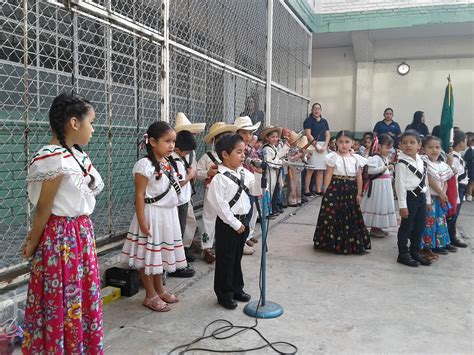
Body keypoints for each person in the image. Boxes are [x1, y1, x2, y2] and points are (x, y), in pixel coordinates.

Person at [22, 93, 104, 353]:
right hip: (62, 239)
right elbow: (44, 208)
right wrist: (33, 242)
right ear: (74, 123)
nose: (93, 128)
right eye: (91, 122)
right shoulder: (53, 158)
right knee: (62, 299)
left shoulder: (77, 156)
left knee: (78, 295)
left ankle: (79, 346)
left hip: (79, 235)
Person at [122, 121, 187, 312]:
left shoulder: (168, 162)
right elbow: (140, 195)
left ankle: (160, 289)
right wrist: (142, 221)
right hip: (151, 215)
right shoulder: (144, 165)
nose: (171, 146)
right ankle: (149, 295)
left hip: (167, 215)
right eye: (167, 141)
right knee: (147, 256)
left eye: (173, 142)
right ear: (152, 141)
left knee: (159, 256)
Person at [207, 134, 262, 310]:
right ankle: (224, 294)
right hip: (228, 225)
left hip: (243, 221)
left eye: (244, 152)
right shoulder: (219, 178)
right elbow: (219, 205)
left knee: (237, 258)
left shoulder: (245, 172)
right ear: (225, 154)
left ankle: (237, 288)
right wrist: (234, 224)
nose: (243, 155)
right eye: (239, 152)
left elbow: (255, 190)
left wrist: (259, 175)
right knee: (225, 260)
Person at [313, 130, 371, 254]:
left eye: (347, 142)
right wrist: (326, 191)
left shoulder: (356, 158)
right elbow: (328, 174)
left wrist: (359, 193)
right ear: (336, 143)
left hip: (350, 189)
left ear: (352, 143)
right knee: (333, 215)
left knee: (350, 214)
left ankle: (350, 243)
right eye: (341, 142)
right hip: (335, 187)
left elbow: (359, 177)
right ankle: (331, 242)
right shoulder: (333, 157)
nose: (344, 145)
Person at [196, 122, 238, 263]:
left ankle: (225, 243)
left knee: (227, 216)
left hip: (230, 192)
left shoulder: (233, 155)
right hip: (211, 191)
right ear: (214, 140)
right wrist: (207, 172)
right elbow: (197, 173)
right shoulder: (207, 157)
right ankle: (206, 247)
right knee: (209, 217)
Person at [395, 130, 432, 267]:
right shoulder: (401, 163)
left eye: (412, 142)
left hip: (421, 197)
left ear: (419, 145)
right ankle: (403, 254)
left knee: (420, 226)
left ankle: (415, 252)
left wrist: (427, 199)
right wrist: (402, 205)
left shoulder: (422, 161)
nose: (408, 145)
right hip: (409, 198)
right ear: (400, 145)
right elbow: (400, 185)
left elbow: (425, 181)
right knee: (406, 226)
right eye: (404, 143)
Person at [173, 112, 206, 263]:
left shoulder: (190, 151)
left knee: (189, 221)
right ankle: (179, 252)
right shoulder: (173, 152)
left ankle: (184, 248)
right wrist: (191, 174)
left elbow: (196, 170)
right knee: (182, 223)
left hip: (187, 193)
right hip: (178, 195)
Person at [419, 136, 457, 260]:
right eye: (430, 147)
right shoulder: (424, 161)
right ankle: (426, 246)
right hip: (429, 198)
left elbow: (445, 180)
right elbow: (429, 180)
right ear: (423, 149)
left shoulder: (442, 164)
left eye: (437, 147)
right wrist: (441, 193)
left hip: (440, 198)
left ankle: (438, 244)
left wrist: (443, 194)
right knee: (428, 223)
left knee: (440, 222)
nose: (434, 150)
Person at [168, 130, 199, 277]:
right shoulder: (176, 161)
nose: (187, 155)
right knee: (178, 234)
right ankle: (176, 266)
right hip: (180, 202)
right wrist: (190, 175)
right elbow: (180, 182)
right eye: (186, 153)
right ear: (178, 150)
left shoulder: (175, 159)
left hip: (182, 201)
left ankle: (178, 262)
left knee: (180, 232)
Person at [233, 116, 262, 254]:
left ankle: (245, 238)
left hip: (250, 184)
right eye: (244, 133)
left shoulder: (250, 149)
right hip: (239, 186)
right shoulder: (235, 149)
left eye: (250, 133)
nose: (248, 136)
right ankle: (240, 242)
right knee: (241, 214)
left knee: (249, 212)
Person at [360, 134, 397, 237]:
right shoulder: (375, 158)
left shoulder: (384, 158)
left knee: (382, 205)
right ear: (379, 146)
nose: (389, 150)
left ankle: (378, 227)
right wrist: (385, 168)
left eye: (390, 148)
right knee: (377, 205)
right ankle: (374, 228)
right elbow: (370, 171)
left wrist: (389, 171)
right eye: (387, 148)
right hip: (377, 187)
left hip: (384, 186)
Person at [447, 129, 469, 247]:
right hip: (457, 187)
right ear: (461, 142)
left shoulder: (459, 156)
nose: (467, 143)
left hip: (462, 187)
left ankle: (452, 237)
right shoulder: (454, 158)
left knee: (455, 214)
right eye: (466, 141)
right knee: (452, 215)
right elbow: (454, 175)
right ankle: (449, 238)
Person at [260, 126, 288, 217]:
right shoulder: (266, 149)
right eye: (272, 137)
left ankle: (271, 209)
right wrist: (279, 162)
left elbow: (277, 156)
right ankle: (267, 211)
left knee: (275, 190)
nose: (275, 139)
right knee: (270, 190)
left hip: (275, 172)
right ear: (267, 138)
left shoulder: (273, 147)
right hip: (269, 172)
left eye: (276, 137)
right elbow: (269, 162)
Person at [303, 103, 330, 196]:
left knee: (321, 169)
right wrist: (317, 146)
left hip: (323, 146)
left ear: (321, 110)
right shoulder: (308, 120)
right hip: (312, 146)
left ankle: (318, 190)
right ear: (312, 110)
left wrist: (325, 146)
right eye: (315, 108)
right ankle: (307, 190)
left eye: (318, 108)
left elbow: (327, 135)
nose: (316, 110)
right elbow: (308, 134)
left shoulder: (324, 121)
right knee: (311, 169)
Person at [286, 131, 305, 207]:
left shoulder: (298, 148)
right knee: (293, 184)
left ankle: (298, 198)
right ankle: (292, 200)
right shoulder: (289, 149)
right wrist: (298, 155)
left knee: (298, 184)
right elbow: (290, 159)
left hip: (299, 167)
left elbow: (303, 158)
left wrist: (303, 155)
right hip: (293, 168)